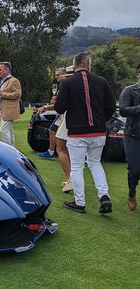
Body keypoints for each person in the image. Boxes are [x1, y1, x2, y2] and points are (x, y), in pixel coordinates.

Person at [54, 52, 116, 214]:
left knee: (76, 167)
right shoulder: (101, 81)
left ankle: (80, 203)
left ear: (74, 66)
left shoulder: (67, 83)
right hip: (98, 131)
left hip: (77, 132)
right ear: (89, 65)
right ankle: (104, 196)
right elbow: (110, 107)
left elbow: (59, 108)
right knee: (95, 163)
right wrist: (100, 120)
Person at [119, 63, 140, 211]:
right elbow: (123, 110)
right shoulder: (129, 91)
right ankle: (132, 193)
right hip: (133, 135)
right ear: (138, 74)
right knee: (135, 170)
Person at [37, 67, 67, 159]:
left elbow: (61, 104)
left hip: (67, 114)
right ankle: (51, 152)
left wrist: (45, 107)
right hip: (61, 114)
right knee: (52, 130)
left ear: (64, 74)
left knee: (66, 136)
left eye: (58, 75)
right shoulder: (61, 85)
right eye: (55, 75)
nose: (56, 77)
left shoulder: (66, 84)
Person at [0, 61, 22, 145]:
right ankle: (13, 151)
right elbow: (3, 94)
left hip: (9, 110)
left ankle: (8, 151)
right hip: (2, 110)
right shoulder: (3, 81)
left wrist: (2, 94)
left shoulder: (14, 80)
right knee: (9, 131)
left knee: (3, 131)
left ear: (7, 70)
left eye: (0, 69)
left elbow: (18, 94)